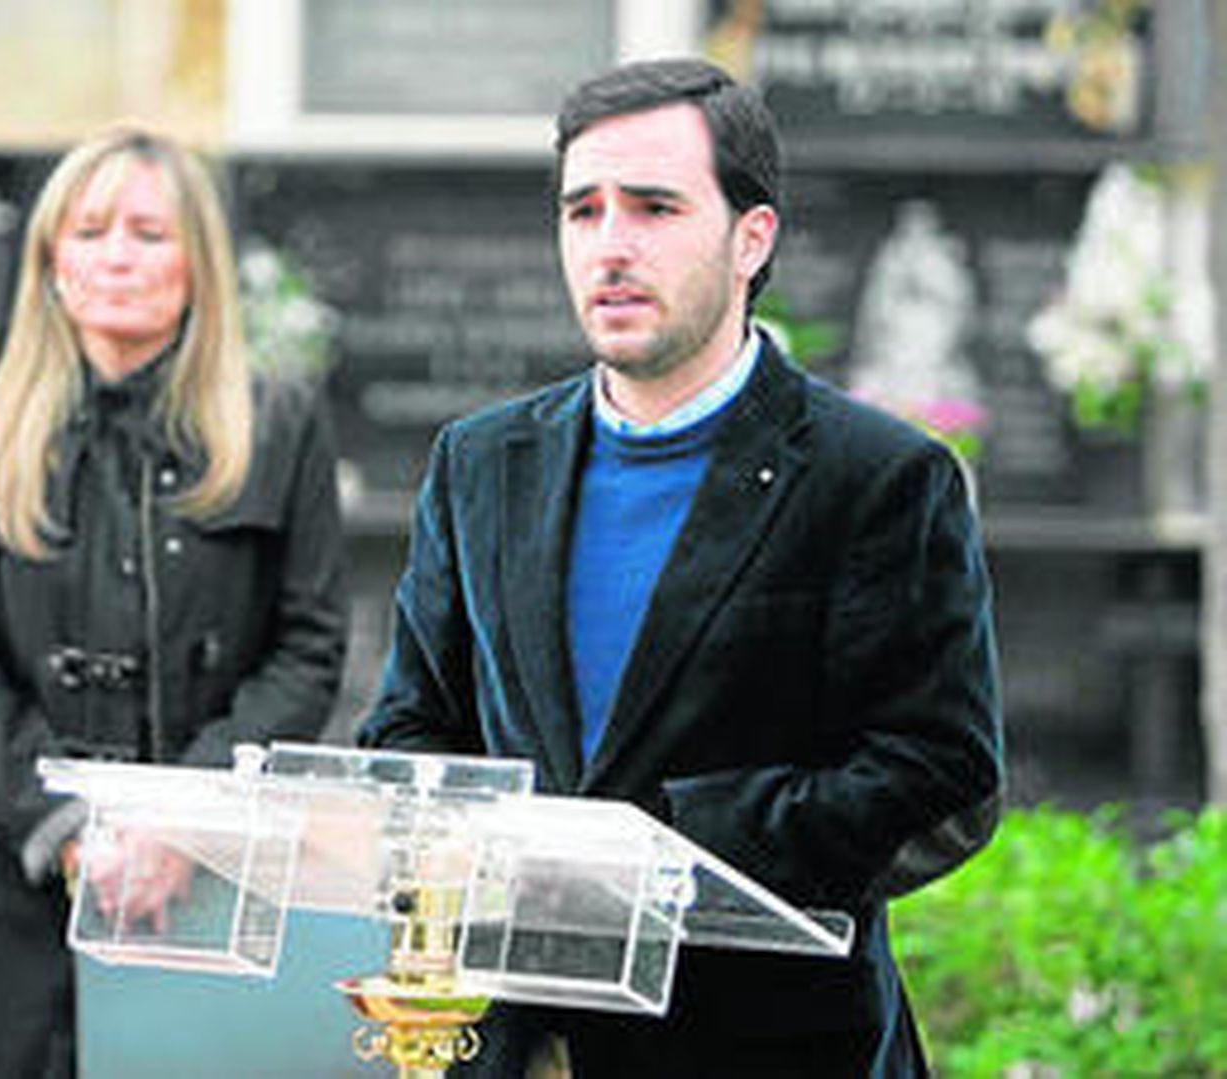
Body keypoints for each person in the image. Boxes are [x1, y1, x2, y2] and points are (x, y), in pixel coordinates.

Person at [357, 58, 1004, 1077]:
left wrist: (660, 850)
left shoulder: (877, 478)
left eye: (653, 207)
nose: (610, 245)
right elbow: (410, 724)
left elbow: (940, 779)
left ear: (752, 236)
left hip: (767, 1047)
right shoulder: (478, 462)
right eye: (583, 210)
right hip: (514, 1042)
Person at [0, 124, 349, 1078]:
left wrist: (182, 822)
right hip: (14, 875)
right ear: (52, 260)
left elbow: (308, 648)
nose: (115, 256)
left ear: (197, 263)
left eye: (148, 232)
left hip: (207, 878)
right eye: (90, 229)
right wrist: (66, 827)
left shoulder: (278, 424)